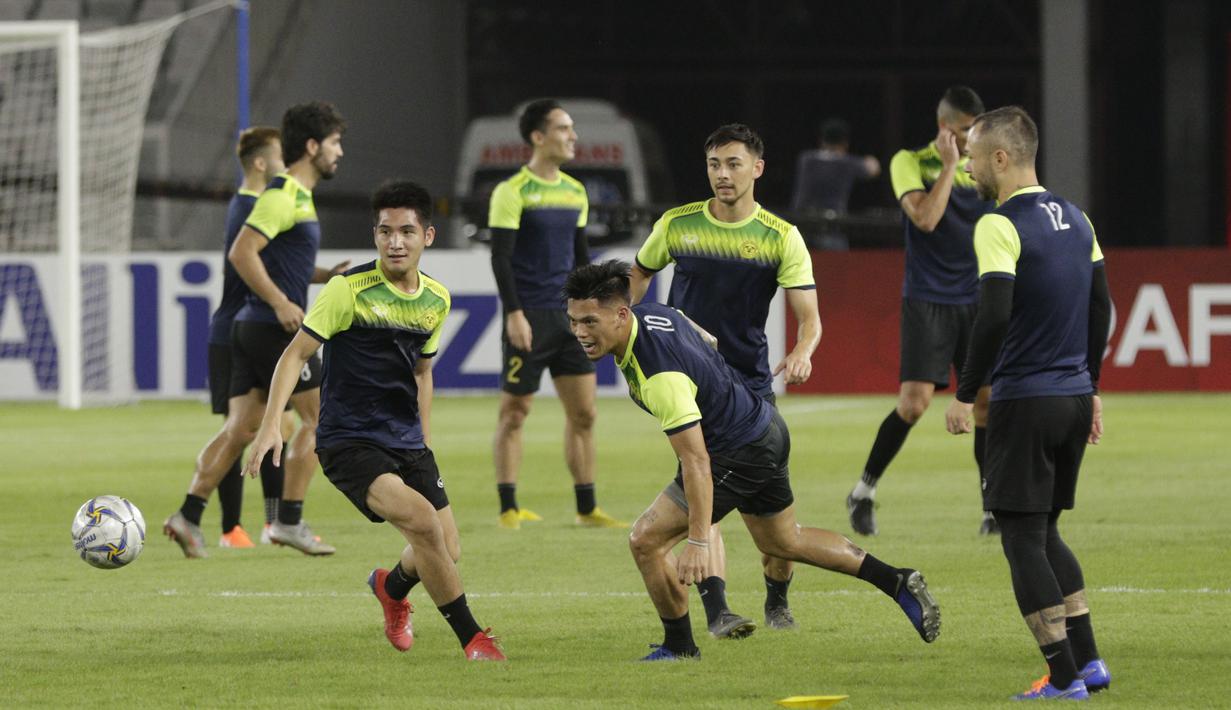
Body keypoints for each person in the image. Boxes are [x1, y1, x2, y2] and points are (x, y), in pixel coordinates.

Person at [565, 260, 940, 661]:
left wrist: (696, 541)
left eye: (590, 322)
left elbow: (696, 461)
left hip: (736, 451)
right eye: (573, 322)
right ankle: (896, 580)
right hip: (765, 427)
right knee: (783, 540)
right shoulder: (654, 314)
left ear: (621, 315)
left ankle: (678, 646)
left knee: (646, 540)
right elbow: (703, 337)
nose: (580, 333)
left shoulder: (661, 378)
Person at [244, 179, 505, 661]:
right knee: (425, 525)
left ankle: (391, 588)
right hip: (348, 441)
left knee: (447, 547)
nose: (395, 242)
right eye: (385, 231)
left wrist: (424, 440)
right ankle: (473, 639)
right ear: (376, 235)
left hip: (406, 441)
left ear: (427, 236)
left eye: (407, 231)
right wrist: (267, 427)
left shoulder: (436, 300)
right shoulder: (347, 290)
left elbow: (422, 372)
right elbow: (295, 353)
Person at [629, 123, 821, 638]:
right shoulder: (677, 224)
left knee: (776, 526)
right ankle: (717, 612)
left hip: (752, 388)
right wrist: (633, 318)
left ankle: (777, 598)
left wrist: (802, 351)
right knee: (701, 488)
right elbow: (638, 275)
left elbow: (809, 317)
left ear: (757, 168)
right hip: (692, 384)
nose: (722, 174)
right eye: (714, 164)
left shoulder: (780, 236)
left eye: (733, 164)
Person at [945, 106, 1111, 700]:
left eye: (970, 156)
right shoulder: (1078, 217)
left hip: (1023, 399)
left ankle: (1063, 677)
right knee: (1045, 533)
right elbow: (1102, 311)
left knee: (1019, 537)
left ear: (1000, 157)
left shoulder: (999, 222)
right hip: (1069, 399)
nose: (965, 167)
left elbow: (993, 314)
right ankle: (1089, 663)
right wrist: (1089, 387)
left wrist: (966, 393)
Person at [164, 101, 348, 557]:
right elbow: (242, 252)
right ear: (312, 146)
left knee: (241, 428)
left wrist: (323, 275)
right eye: (335, 142)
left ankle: (187, 515)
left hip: (251, 328)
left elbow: (277, 261)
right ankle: (287, 520)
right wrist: (281, 301)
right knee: (320, 421)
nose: (340, 152)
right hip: (272, 328)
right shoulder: (284, 195)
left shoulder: (294, 197)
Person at [845, 86, 998, 537]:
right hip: (928, 298)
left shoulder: (985, 166)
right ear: (946, 129)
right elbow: (926, 220)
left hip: (977, 298)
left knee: (987, 403)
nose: (975, 138)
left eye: (979, 130)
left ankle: (992, 508)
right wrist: (951, 168)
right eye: (969, 130)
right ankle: (863, 491)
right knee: (913, 405)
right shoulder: (908, 162)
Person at [488, 98, 625, 530]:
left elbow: (582, 261)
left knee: (584, 415)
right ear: (538, 137)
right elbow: (501, 259)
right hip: (530, 317)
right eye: (564, 129)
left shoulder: (575, 191)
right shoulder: (512, 191)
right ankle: (509, 506)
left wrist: (597, 310)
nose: (573, 137)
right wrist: (514, 313)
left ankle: (587, 508)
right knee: (514, 413)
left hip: (570, 321)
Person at [205, 126, 289, 549]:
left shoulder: (254, 205)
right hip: (237, 331)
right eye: (279, 155)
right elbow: (250, 266)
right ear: (260, 162)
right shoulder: (251, 207)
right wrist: (279, 301)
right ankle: (229, 527)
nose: (285, 162)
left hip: (244, 327)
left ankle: (272, 524)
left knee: (275, 425)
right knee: (239, 431)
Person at [789, 117, 881, 249]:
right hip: (832, 230)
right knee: (836, 267)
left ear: (821, 140)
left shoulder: (806, 159)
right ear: (845, 143)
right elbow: (874, 169)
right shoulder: (847, 163)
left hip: (802, 229)